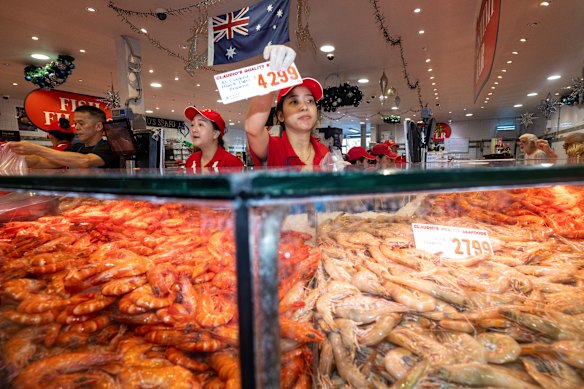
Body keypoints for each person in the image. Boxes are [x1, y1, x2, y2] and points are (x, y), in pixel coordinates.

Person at [245, 45, 329, 167]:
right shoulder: (274, 148)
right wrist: (270, 71)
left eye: (310, 101)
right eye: (294, 102)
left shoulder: (323, 151)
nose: (304, 107)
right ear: (280, 115)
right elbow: (252, 129)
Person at [8, 105, 120, 168]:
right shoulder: (76, 148)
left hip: (105, 202)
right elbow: (39, 162)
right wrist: (10, 157)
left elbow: (86, 161)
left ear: (98, 126)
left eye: (81, 123)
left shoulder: (110, 147)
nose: (76, 127)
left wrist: (37, 149)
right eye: (75, 123)